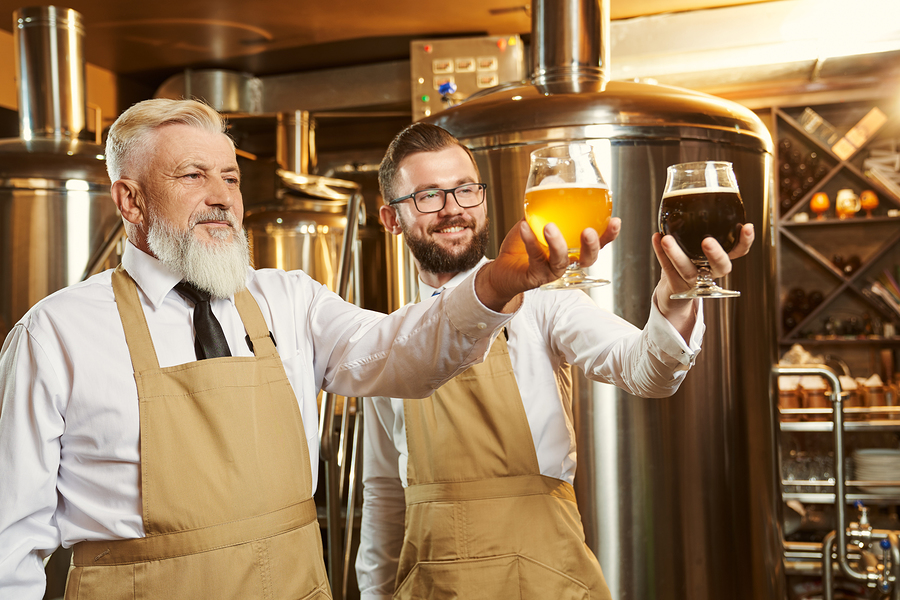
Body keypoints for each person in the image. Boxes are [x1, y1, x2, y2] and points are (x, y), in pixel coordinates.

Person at [0, 99, 605, 600]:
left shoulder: (288, 300)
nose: (221, 197)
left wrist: (498, 282)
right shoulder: (54, 335)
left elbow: (402, 352)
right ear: (129, 200)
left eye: (231, 178)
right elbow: (10, 545)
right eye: (193, 176)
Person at [355, 123, 755, 600]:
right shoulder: (386, 343)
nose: (453, 210)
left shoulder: (544, 302)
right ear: (390, 219)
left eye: (465, 190)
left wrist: (678, 296)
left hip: (549, 581)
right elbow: (382, 493)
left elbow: (645, 371)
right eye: (427, 196)